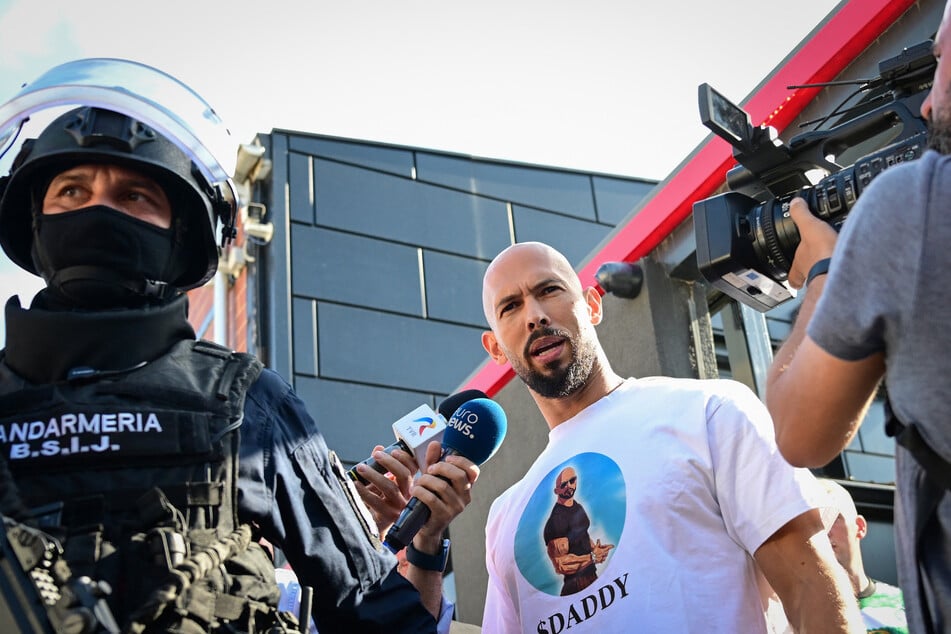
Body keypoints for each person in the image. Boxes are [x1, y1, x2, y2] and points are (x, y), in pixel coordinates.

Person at [0, 99, 478, 632]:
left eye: (134, 195)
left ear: (181, 232)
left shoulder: (248, 402)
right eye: (72, 191)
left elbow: (378, 613)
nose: (100, 211)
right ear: (34, 221)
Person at [478, 241, 864, 633]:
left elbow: (810, 582)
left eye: (549, 290)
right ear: (495, 348)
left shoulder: (708, 412)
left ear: (593, 305)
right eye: (510, 307)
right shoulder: (505, 517)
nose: (535, 316)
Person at [764, 4, 951, 632]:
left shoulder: (915, 203)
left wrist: (822, 271)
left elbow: (797, 434)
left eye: (942, 62)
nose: (925, 105)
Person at [820, 480, 908, 633]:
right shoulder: (786, 616)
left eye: (832, 517)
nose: (824, 529)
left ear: (859, 527)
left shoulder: (905, 605)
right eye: (816, 523)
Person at [542, 466, 614, 596]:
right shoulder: (556, 520)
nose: (569, 486)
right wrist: (592, 557)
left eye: (572, 480)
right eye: (564, 484)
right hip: (575, 585)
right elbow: (561, 564)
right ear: (556, 490)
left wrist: (597, 549)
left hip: (591, 577)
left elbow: (582, 535)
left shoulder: (578, 507)